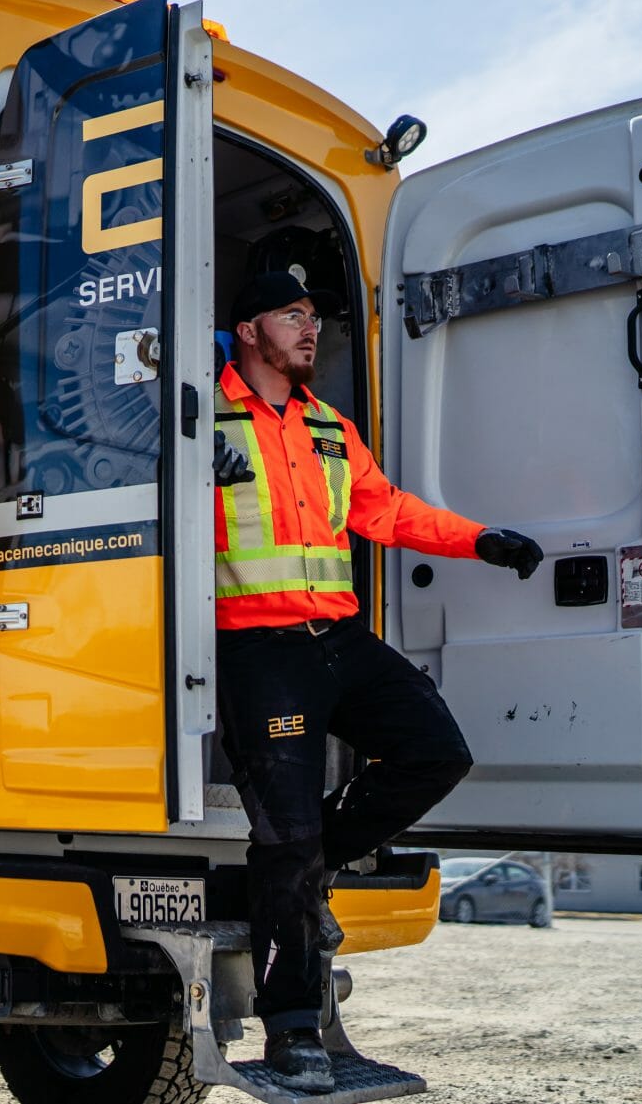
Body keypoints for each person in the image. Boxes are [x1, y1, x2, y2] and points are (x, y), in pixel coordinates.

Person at [211, 270, 542, 1092]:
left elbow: (389, 512)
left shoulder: (329, 427)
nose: (309, 328)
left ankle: (317, 863)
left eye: (314, 315)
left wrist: (481, 540)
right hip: (261, 650)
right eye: (292, 314)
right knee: (279, 837)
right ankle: (292, 1030)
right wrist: (183, 464)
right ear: (248, 330)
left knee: (436, 751)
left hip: (339, 638)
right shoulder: (199, 418)